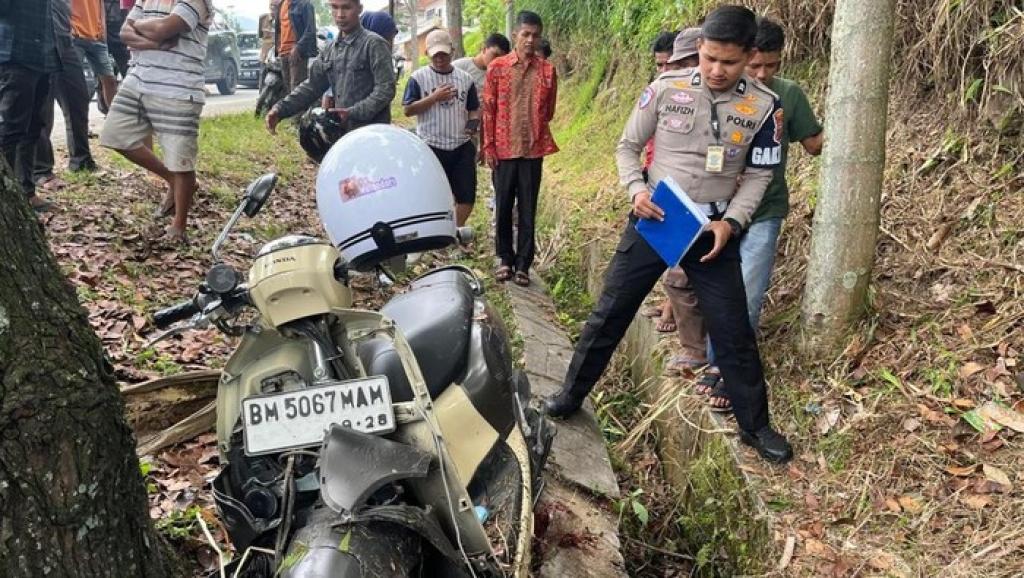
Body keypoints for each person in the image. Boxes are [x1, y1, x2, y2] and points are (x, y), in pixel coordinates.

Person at [545, 5, 793, 464]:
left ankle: (756, 427)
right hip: (659, 217)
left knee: (734, 331)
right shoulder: (665, 89)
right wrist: (635, 190)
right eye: (709, 58)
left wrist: (732, 222)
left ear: (747, 56)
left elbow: (760, 175)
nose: (717, 70)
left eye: (730, 61)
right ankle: (569, 394)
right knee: (611, 312)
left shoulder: (763, 106)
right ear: (699, 49)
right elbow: (627, 146)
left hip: (713, 231)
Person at [681, 16, 824, 410]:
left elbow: (813, 143)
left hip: (764, 210)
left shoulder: (788, 96)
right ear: (742, 58)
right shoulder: (716, 92)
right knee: (715, 291)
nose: (762, 74)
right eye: (755, 66)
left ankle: (723, 368)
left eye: (771, 66)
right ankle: (710, 357)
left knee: (748, 292)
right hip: (716, 211)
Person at [100, 0, 214, 243]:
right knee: (114, 134)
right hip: (138, 79)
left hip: (179, 87)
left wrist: (141, 27)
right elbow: (124, 33)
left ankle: (179, 226)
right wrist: (155, 43)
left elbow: (166, 27)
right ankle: (171, 180)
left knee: (181, 160)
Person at [483, 10, 558, 288]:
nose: (530, 40)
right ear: (516, 34)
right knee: (503, 206)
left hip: (532, 150)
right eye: (525, 34)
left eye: (535, 35)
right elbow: (488, 110)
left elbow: (548, 111)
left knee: (528, 208)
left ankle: (523, 264)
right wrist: (489, 145)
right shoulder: (498, 68)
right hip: (503, 149)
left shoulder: (548, 70)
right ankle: (505, 258)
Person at [266, 0, 396, 136]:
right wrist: (280, 109)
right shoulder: (330, 50)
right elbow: (312, 86)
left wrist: (352, 113)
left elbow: (385, 90)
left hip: (373, 134)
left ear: (359, 9)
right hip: (344, 137)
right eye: (335, 7)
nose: (340, 14)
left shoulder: (374, 45)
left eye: (346, 8)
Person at [403, 29, 480, 227]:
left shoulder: (465, 79)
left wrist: (472, 126)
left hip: (460, 144)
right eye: (435, 54)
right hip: (431, 144)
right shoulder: (418, 78)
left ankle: (452, 231)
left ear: (452, 52)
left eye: (444, 54)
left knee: (466, 198)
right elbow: (408, 110)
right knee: (432, 196)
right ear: (427, 53)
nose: (440, 58)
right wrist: (434, 97)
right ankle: (434, 233)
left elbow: (473, 109)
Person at [0, 0, 60, 213]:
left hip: (44, 55)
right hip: (15, 54)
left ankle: (26, 191)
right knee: (11, 129)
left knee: (34, 128)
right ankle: (7, 198)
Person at [34, 0, 99, 192]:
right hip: (37, 40)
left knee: (78, 100)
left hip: (65, 39)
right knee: (42, 110)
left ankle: (81, 159)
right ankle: (41, 170)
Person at [71, 0, 118, 109]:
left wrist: (103, 27)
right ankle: (78, 121)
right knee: (75, 83)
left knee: (110, 80)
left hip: (97, 36)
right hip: (75, 35)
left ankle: (113, 117)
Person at [275, 0, 317, 92]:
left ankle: (304, 107)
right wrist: (278, 47)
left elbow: (310, 30)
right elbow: (279, 29)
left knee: (297, 89)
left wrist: (298, 47)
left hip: (297, 53)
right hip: (283, 53)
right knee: (288, 89)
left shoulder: (305, 4)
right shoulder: (281, 5)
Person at [453, 33, 510, 97]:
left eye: (501, 58)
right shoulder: (459, 66)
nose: (497, 61)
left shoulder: (500, 75)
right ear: (484, 48)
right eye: (495, 55)